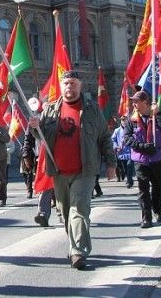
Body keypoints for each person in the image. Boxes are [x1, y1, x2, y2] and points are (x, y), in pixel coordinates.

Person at [27, 70, 116, 270]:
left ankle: (78, 252)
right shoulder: (50, 109)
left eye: (73, 83)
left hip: (85, 171)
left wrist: (111, 163)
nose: (70, 87)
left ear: (80, 86)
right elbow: (42, 136)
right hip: (59, 171)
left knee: (79, 210)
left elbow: (104, 138)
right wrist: (35, 127)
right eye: (66, 83)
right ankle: (75, 244)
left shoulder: (92, 109)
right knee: (65, 213)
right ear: (61, 86)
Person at [124, 90, 161, 229]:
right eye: (133, 101)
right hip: (141, 159)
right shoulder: (131, 120)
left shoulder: (156, 116)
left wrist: (159, 113)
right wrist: (143, 146)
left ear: (146, 102)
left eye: (137, 101)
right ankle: (146, 218)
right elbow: (127, 139)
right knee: (143, 189)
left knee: (158, 187)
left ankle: (158, 211)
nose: (134, 104)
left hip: (157, 158)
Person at [112, 116, 134, 188]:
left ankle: (129, 181)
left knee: (129, 166)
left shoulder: (132, 129)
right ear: (121, 122)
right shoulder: (117, 130)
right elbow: (113, 140)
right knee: (125, 167)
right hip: (121, 152)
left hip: (130, 152)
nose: (124, 122)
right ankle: (125, 176)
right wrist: (116, 146)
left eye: (125, 121)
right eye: (122, 121)